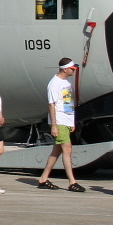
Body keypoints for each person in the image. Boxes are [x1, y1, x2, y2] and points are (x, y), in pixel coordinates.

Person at [37, 58, 84, 192]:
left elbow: (68, 103)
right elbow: (51, 105)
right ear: (65, 69)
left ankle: (43, 178)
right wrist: (54, 125)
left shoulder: (66, 82)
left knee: (56, 151)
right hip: (60, 121)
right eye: (72, 69)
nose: (73, 71)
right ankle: (72, 181)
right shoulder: (54, 84)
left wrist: (71, 121)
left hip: (66, 121)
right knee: (67, 150)